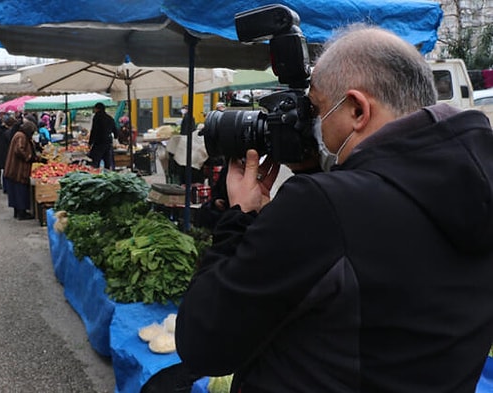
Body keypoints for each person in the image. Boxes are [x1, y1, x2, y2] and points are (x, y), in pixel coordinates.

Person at [175, 25, 493, 392]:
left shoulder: (322, 208)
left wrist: (238, 218)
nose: (309, 126)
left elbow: (203, 344)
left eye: (316, 109)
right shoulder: (475, 190)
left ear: (357, 109)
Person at [3, 120, 37, 220]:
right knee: (20, 190)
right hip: (17, 169)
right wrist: (30, 157)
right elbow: (20, 150)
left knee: (15, 191)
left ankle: (17, 211)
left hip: (13, 169)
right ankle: (21, 213)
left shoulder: (19, 134)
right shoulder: (21, 136)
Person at [88, 102, 117, 169]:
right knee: (107, 162)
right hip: (108, 143)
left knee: (95, 162)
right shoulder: (110, 118)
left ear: (97, 109)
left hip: (99, 142)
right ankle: (107, 175)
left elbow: (94, 130)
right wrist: (115, 138)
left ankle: (96, 175)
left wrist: (90, 142)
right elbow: (115, 131)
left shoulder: (97, 117)